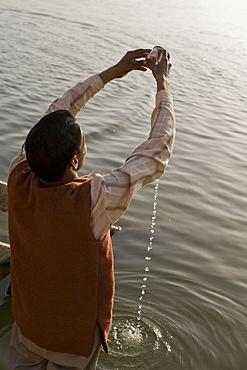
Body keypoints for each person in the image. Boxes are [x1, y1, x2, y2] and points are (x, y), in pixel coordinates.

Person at [7, 47, 175, 370]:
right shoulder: (94, 200)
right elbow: (157, 150)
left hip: (27, 324)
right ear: (75, 161)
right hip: (73, 343)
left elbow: (58, 110)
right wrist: (162, 84)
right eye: (83, 143)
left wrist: (114, 71)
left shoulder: (20, 170)